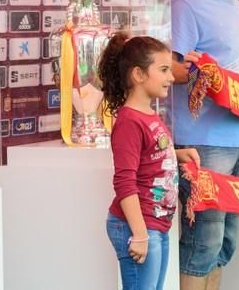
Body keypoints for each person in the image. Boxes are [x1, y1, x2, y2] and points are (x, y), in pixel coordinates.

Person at [170, 0, 239, 290]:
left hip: (236, 134)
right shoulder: (188, 0)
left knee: (223, 243)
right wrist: (209, 77)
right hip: (202, 140)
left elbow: (227, 66)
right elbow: (171, 69)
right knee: (202, 242)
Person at [99, 32, 200, 290]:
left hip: (156, 226)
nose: (170, 77)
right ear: (138, 75)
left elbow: (149, 155)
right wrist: (140, 233)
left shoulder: (148, 114)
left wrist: (176, 155)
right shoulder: (129, 122)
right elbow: (125, 181)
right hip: (140, 227)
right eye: (164, 69)